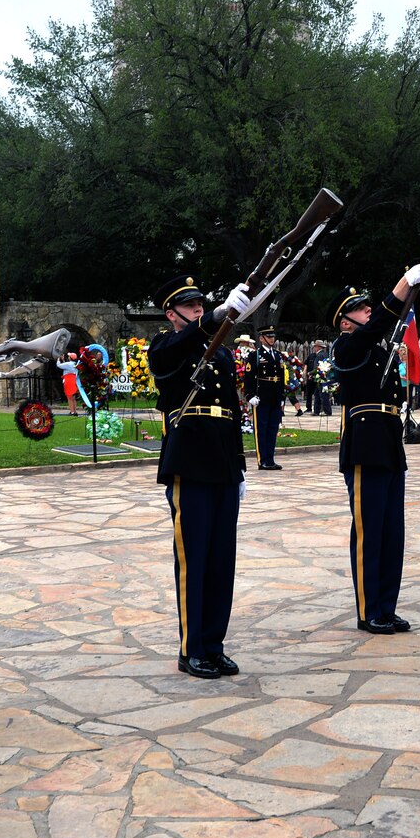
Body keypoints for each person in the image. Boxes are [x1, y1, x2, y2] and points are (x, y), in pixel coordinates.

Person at [148, 274, 251, 675]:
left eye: (201, 306)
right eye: (190, 307)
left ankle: (214, 642)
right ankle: (192, 648)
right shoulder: (164, 346)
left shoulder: (222, 356)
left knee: (222, 559)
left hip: (223, 460)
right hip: (189, 460)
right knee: (194, 559)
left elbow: (231, 412)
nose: (199, 311)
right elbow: (174, 351)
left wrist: (239, 468)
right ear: (172, 313)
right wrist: (216, 317)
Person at [331, 264, 420, 633]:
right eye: (358, 308)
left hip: (388, 441)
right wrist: (403, 284)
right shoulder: (348, 346)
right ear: (344, 322)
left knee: (391, 532)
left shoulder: (375, 347)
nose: (367, 309)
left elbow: (383, 327)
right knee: (370, 530)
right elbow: (378, 324)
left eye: (367, 305)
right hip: (365, 444)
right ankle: (368, 609)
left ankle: (387, 605)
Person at [244, 324, 287, 470]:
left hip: (274, 396)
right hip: (261, 396)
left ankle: (270, 459)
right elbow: (249, 377)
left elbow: (281, 377)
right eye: (269, 336)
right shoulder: (255, 355)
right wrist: (250, 395)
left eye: (273, 336)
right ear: (262, 338)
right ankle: (262, 460)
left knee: (272, 428)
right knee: (261, 429)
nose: (272, 339)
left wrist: (282, 396)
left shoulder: (278, 355)